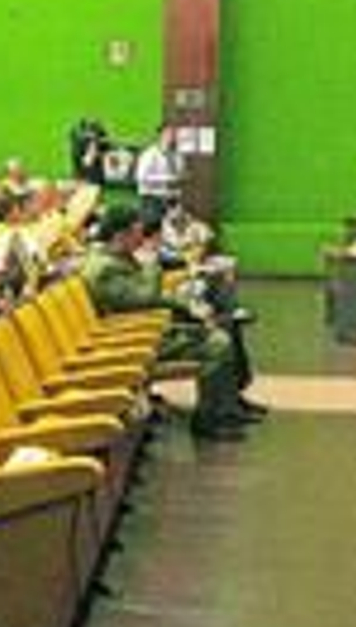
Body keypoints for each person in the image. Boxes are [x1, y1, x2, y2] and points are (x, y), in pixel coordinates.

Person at [82, 203, 259, 442]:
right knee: (218, 342)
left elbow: (146, 296)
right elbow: (145, 297)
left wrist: (185, 306)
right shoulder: (104, 268)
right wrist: (153, 263)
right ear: (120, 234)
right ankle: (210, 420)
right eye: (137, 232)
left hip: (148, 328)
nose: (141, 237)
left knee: (225, 323)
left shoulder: (118, 258)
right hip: (135, 339)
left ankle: (230, 406)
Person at [134, 124, 184, 220]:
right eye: (170, 134)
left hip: (173, 199)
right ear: (161, 135)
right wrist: (167, 179)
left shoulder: (177, 155)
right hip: (153, 199)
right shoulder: (149, 154)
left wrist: (180, 179)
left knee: (172, 231)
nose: (173, 137)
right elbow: (141, 178)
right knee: (153, 230)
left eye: (175, 134)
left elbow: (178, 174)